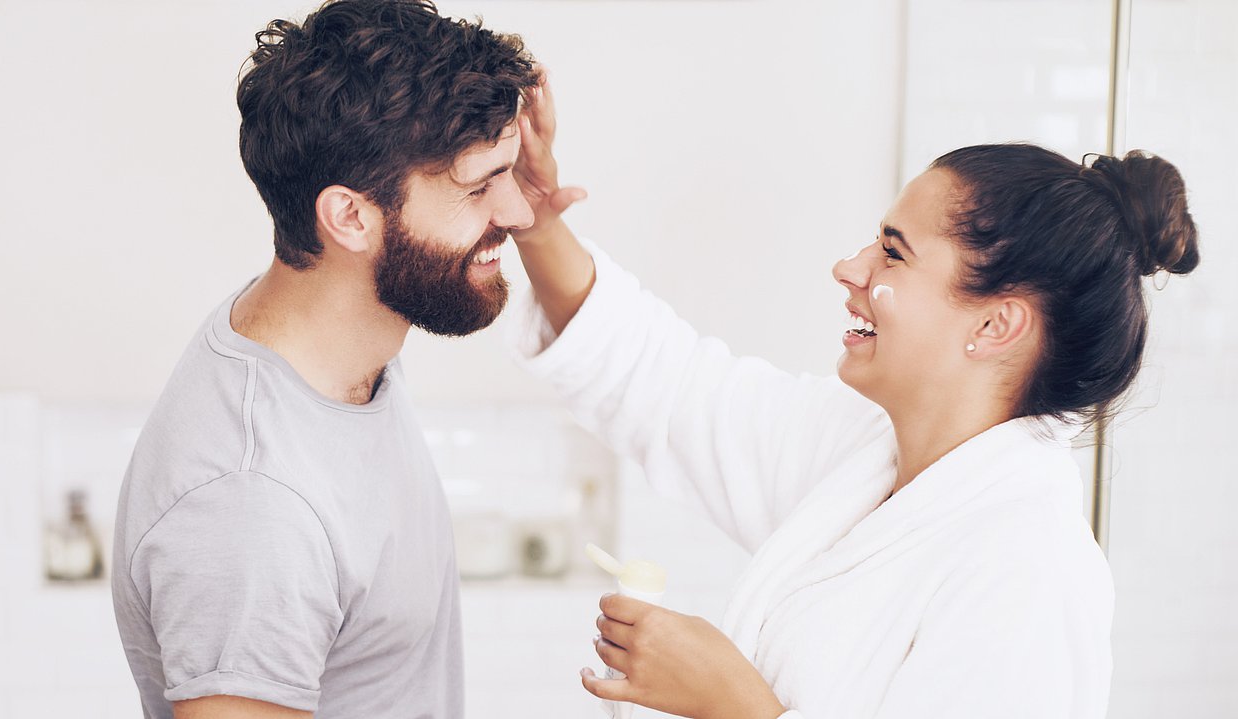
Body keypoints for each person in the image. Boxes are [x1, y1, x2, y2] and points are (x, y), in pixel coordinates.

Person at [507, 74, 1199, 718]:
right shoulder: (866, 453)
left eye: (892, 253)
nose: (849, 268)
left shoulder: (1032, 572)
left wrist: (734, 699)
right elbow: (669, 386)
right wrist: (537, 226)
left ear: (995, 324)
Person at [109, 2, 539, 717]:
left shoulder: (336, 344)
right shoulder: (251, 507)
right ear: (349, 216)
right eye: (478, 187)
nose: (521, 213)